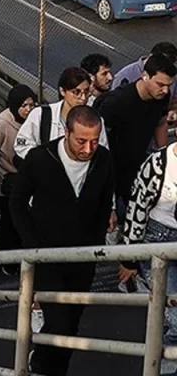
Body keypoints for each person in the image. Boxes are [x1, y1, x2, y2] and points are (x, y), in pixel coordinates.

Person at [10, 106, 115, 376]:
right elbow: (17, 203)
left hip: (83, 257)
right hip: (47, 256)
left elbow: (104, 202)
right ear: (66, 132)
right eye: (81, 141)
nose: (88, 148)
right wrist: (33, 246)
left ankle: (56, 370)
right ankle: (40, 366)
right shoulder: (39, 158)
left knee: (72, 324)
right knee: (58, 322)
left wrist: (96, 241)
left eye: (94, 140)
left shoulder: (103, 159)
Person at [97, 53, 175, 236]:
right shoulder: (117, 102)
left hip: (137, 165)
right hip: (112, 167)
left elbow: (161, 123)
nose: (165, 90)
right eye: (160, 84)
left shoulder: (162, 97)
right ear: (145, 76)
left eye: (168, 85)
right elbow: (100, 137)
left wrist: (163, 156)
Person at [119, 134, 177, 376]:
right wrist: (130, 258)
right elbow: (136, 207)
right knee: (173, 313)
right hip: (158, 239)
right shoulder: (157, 163)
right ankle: (165, 368)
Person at [0, 84, 37, 276]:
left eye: (31, 104)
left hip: (25, 178)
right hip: (4, 180)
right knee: (10, 219)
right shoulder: (2, 124)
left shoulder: (35, 120)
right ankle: (2, 256)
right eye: (23, 105)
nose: (28, 109)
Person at [14, 67, 108, 163]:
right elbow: (21, 145)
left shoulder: (96, 121)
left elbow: (102, 155)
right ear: (62, 91)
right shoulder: (41, 115)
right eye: (76, 92)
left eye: (86, 92)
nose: (83, 98)